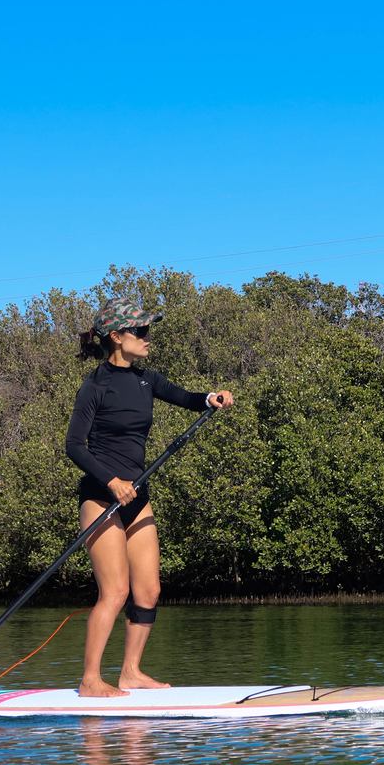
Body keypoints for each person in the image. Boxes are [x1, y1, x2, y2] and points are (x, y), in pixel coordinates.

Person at [66, 298, 233, 697]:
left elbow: (187, 397)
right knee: (116, 591)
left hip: (138, 496)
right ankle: (90, 680)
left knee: (148, 590)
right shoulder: (95, 386)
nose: (147, 338)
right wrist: (111, 481)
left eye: (147, 330)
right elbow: (75, 446)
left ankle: (131, 672)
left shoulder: (146, 380)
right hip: (101, 497)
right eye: (139, 332)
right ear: (117, 337)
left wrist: (210, 398)